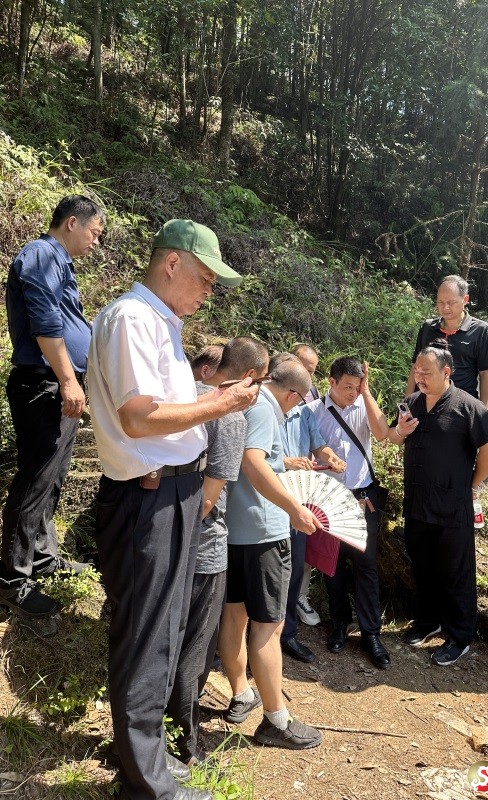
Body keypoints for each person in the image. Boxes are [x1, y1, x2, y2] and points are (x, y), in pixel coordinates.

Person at [87, 219, 260, 800]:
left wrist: (215, 399)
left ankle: (147, 760)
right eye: (205, 278)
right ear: (172, 264)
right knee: (146, 637)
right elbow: (139, 417)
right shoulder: (133, 319)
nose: (209, 291)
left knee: (160, 634)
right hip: (148, 496)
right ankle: (147, 785)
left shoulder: (159, 321)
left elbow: (167, 410)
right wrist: (222, 405)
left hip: (170, 492)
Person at [0, 195, 105, 618]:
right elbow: (45, 322)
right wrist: (67, 379)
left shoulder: (59, 262)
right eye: (95, 233)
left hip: (57, 384)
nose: (96, 242)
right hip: (43, 384)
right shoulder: (42, 253)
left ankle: (42, 558)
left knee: (53, 478)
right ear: (72, 223)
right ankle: (12, 578)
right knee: (35, 480)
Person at [166, 336, 269, 765]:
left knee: (167, 641)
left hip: (163, 537)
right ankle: (184, 745)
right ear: (250, 377)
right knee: (195, 649)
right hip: (204, 548)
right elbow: (209, 498)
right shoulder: (228, 414)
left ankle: (156, 734)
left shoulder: (182, 394)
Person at [218, 359, 323, 750]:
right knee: (269, 627)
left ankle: (241, 692)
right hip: (263, 532)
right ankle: (277, 720)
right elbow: (253, 461)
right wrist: (294, 508)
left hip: (233, 528)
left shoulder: (242, 399)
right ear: (293, 394)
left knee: (235, 615)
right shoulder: (264, 408)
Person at [389, 341, 488, 666]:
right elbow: (393, 437)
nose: (420, 377)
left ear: (447, 372)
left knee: (455, 573)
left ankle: (459, 635)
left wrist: (472, 484)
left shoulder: (468, 407)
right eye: (417, 371)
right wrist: (400, 431)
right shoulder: (411, 403)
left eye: (427, 372)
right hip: (418, 503)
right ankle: (428, 621)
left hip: (452, 506)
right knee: (423, 568)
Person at [308, 357, 391, 669]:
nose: (352, 393)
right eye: (347, 387)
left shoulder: (364, 406)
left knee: (365, 564)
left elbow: (382, 434)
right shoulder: (313, 412)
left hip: (362, 497)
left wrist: (366, 395)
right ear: (331, 382)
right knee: (333, 565)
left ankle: (371, 633)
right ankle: (339, 623)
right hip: (328, 498)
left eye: (357, 387)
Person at [279, 367, 346, 664]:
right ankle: (256, 636)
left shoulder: (304, 413)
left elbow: (319, 445)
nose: (304, 399)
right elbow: (254, 457)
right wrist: (287, 462)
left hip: (299, 502)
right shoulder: (263, 411)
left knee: (295, 569)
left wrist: (331, 457)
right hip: (268, 501)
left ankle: (287, 634)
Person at [406, 275, 488, 409]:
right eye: (440, 302)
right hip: (423, 406)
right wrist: (406, 406)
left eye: (451, 302)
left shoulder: (480, 330)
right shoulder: (427, 328)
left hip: (460, 409)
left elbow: (486, 374)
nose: (445, 307)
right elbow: (415, 366)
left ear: (465, 299)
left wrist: (483, 413)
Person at [291, 344, 322, 625]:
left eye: (313, 371)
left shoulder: (313, 396)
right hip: (279, 483)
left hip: (305, 483)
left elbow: (317, 441)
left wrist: (329, 457)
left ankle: (299, 597)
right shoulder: (272, 397)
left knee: (304, 547)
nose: (309, 376)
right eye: (305, 369)